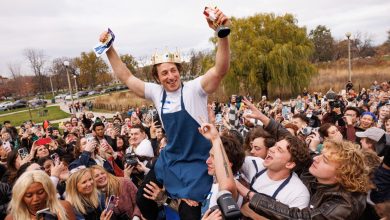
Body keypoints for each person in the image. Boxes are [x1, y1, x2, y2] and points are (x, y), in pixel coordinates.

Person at [100, 7, 231, 219]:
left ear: (179, 71)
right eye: (164, 73)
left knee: (190, 212)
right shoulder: (155, 92)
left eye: (174, 70)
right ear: (157, 77)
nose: (170, 76)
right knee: (143, 199)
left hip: (196, 162)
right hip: (170, 159)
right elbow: (126, 77)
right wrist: (109, 49)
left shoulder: (195, 89)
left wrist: (222, 34)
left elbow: (220, 69)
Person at [5, 170, 76, 220]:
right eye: (29, 195)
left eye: (40, 192)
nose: (36, 199)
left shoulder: (64, 207)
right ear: (20, 197)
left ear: (48, 191)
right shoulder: (12, 218)